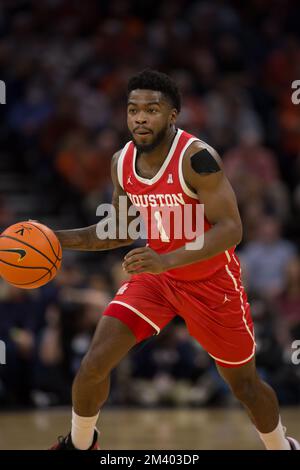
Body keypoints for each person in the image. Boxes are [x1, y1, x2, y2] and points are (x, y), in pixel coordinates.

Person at [50, 70, 299, 450]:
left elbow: (232, 229)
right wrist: (54, 238)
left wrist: (167, 261)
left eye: (152, 109)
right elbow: (117, 231)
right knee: (94, 362)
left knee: (245, 385)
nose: (140, 117)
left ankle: (282, 446)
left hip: (211, 283)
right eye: (133, 109)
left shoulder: (198, 159)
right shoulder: (121, 162)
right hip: (157, 280)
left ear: (172, 115)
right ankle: (80, 444)